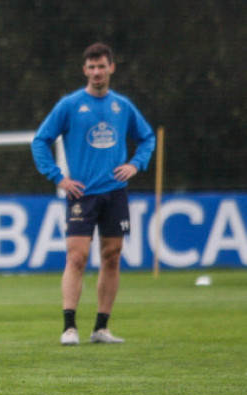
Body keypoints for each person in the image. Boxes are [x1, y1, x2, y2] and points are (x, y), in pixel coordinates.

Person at [31, 43, 155, 346]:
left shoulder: (122, 107)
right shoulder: (70, 105)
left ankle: (101, 327)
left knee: (111, 257)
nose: (97, 72)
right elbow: (40, 140)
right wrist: (58, 177)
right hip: (82, 194)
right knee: (76, 257)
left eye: (102, 66)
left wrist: (135, 164)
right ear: (84, 70)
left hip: (115, 193)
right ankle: (69, 327)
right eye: (92, 67)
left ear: (111, 68)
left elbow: (147, 137)